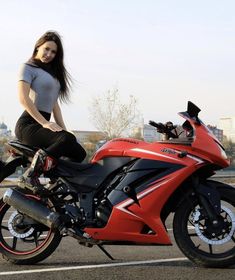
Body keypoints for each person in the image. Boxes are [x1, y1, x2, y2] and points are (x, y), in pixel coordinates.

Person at [15, 31, 86, 193]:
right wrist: (45, 123)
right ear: (38, 47)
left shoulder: (53, 75)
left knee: (78, 151)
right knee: (66, 139)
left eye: (53, 52)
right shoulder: (28, 67)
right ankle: (30, 175)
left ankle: (56, 185)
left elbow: (55, 106)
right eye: (46, 49)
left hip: (44, 124)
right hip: (29, 125)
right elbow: (23, 98)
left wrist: (65, 131)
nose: (49, 54)